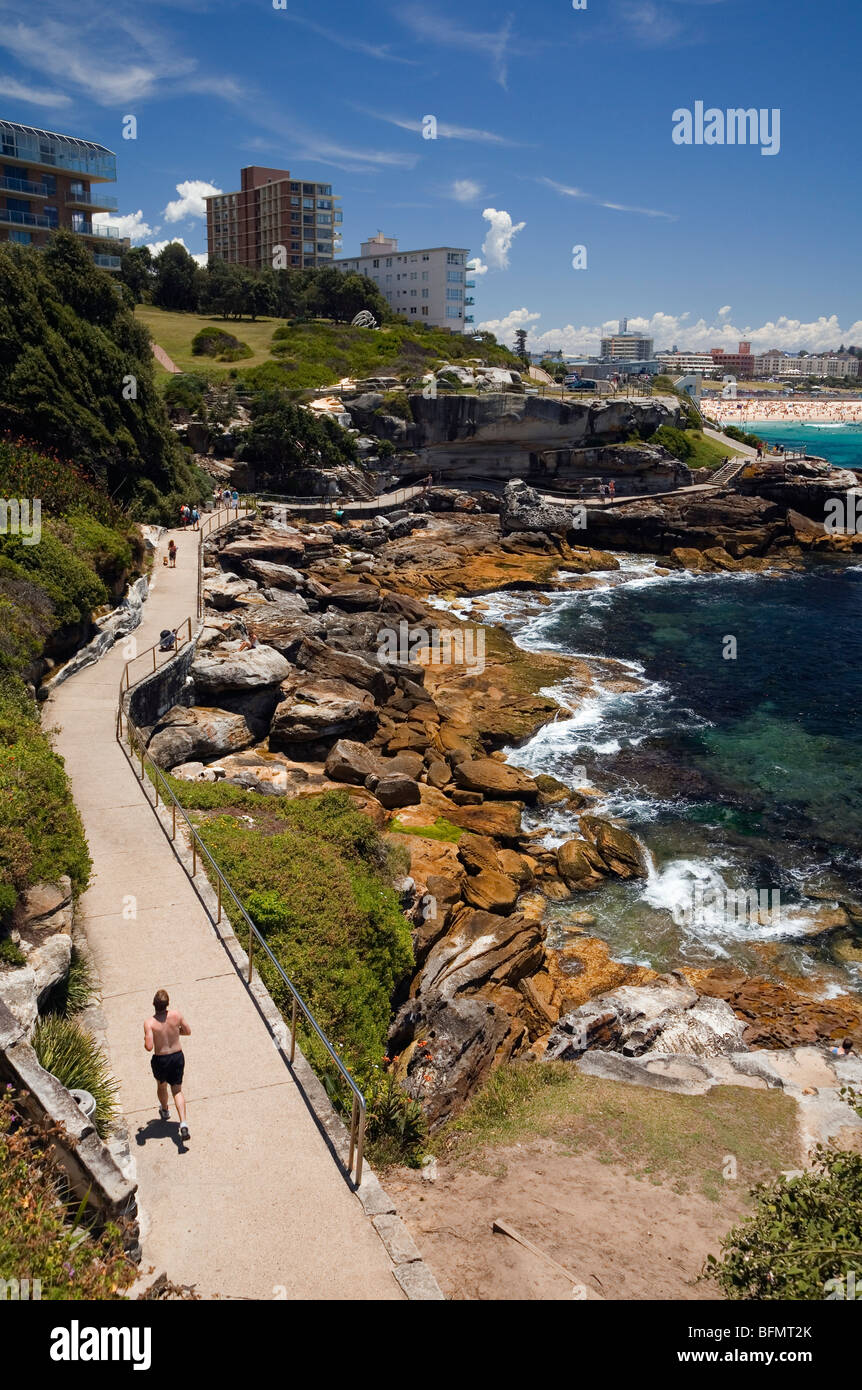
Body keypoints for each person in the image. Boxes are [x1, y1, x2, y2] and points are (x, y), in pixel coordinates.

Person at [144, 989, 191, 1140]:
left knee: (162, 1086)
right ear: (167, 1004)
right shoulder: (176, 1015)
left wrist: (148, 1039)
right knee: (177, 1090)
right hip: (177, 1056)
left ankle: (165, 1110)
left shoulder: (150, 1023)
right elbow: (187, 1031)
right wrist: (176, 1033)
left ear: (153, 1004)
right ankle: (183, 1123)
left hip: (161, 1060)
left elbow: (149, 1047)